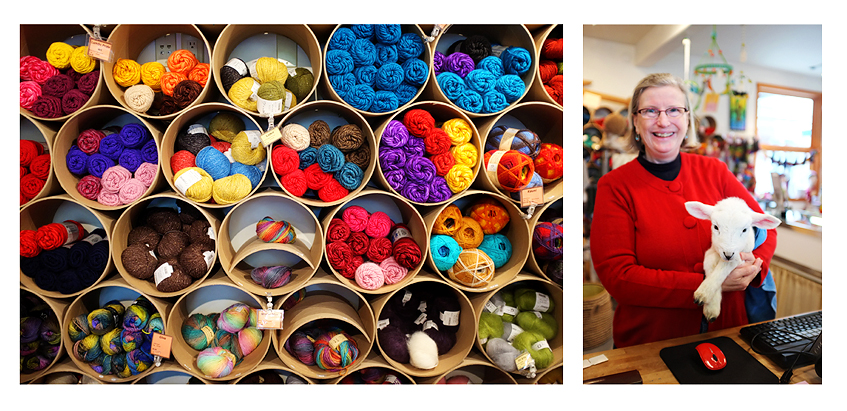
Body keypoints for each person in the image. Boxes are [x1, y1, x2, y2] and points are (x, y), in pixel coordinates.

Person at [589, 73, 777, 348]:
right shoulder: (615, 186)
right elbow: (619, 276)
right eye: (650, 111)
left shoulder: (715, 171)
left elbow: (763, 228)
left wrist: (753, 269)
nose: (663, 121)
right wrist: (711, 283)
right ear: (635, 122)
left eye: (674, 110)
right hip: (653, 341)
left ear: (688, 119)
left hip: (728, 333)